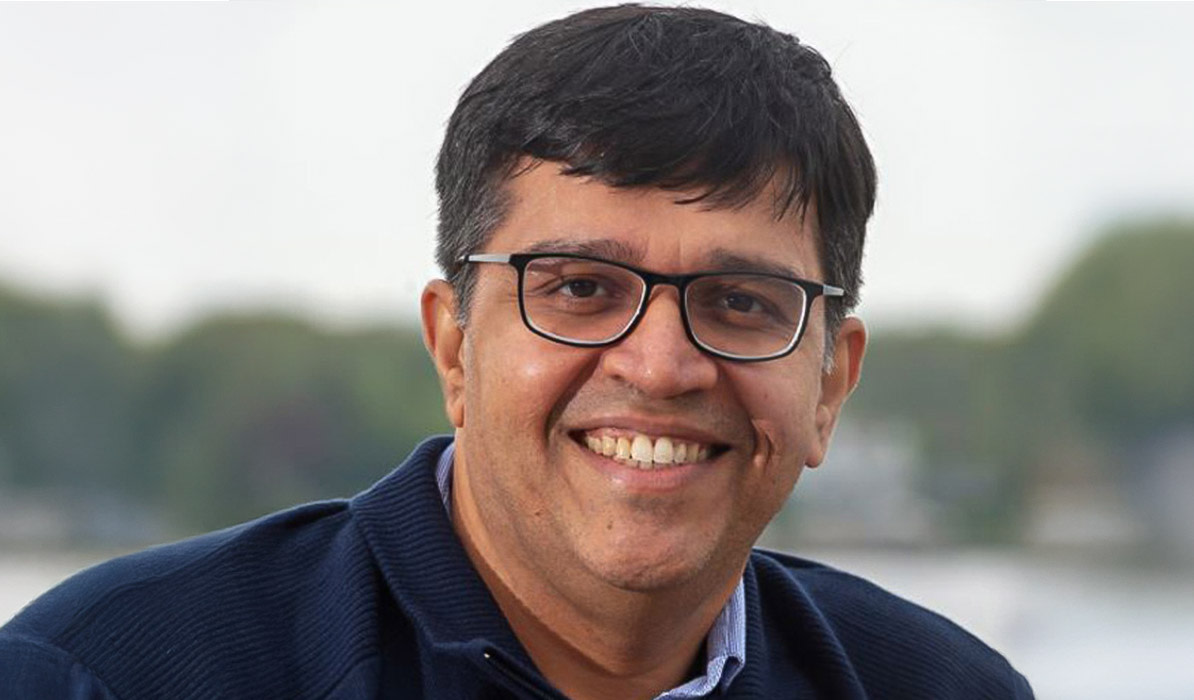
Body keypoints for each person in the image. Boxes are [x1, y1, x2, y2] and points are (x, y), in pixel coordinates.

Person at [0, 4, 1033, 698]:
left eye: (742, 301)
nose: (663, 364)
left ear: (829, 384)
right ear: (454, 346)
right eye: (581, 290)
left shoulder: (945, 687)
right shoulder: (103, 674)